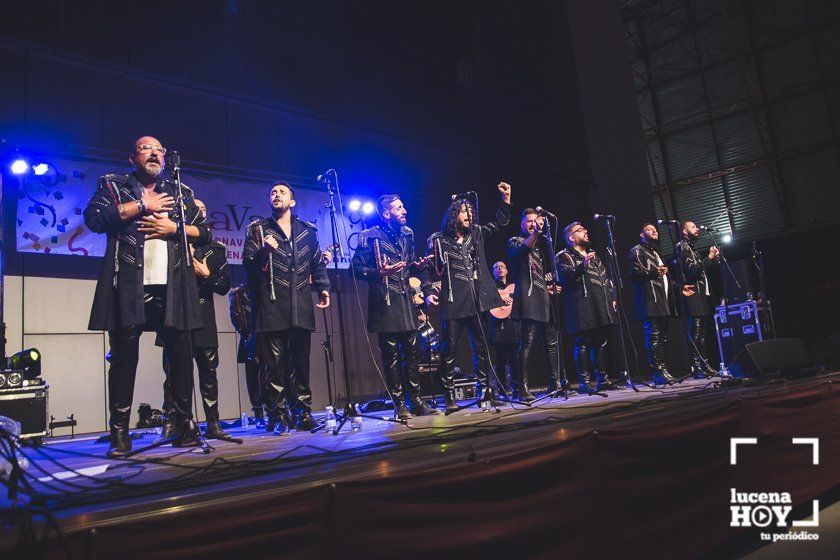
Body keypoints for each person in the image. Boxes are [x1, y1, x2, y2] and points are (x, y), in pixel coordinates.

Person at [85, 136, 209, 457]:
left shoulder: (181, 192)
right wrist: (142, 205)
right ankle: (120, 433)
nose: (154, 153)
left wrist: (174, 229)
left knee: (181, 358)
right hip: (129, 284)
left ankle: (183, 425)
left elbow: (204, 232)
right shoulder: (113, 186)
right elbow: (95, 219)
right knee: (125, 359)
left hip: (173, 286)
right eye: (146, 148)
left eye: (160, 150)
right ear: (132, 158)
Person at [243, 181, 330, 433]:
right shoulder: (258, 230)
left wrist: (323, 286)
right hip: (271, 304)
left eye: (282, 192)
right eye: (272, 192)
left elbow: (317, 264)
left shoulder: (307, 231)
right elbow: (248, 264)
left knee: (301, 363)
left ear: (292, 201)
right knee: (275, 366)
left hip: (300, 303)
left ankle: (303, 413)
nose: (276, 194)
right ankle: (278, 414)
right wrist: (263, 251)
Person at [423, 182, 511, 412]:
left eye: (471, 212)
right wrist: (429, 291)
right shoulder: (438, 240)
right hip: (453, 301)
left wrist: (505, 200)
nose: (469, 215)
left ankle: (486, 393)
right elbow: (426, 270)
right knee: (449, 349)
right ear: (453, 214)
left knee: (482, 349)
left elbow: (500, 223)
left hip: (476, 299)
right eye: (464, 211)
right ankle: (449, 397)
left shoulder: (477, 234)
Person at [351, 194, 438, 419]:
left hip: (405, 301)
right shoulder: (369, 236)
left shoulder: (407, 234)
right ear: (386, 213)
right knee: (391, 356)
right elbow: (355, 269)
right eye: (399, 208)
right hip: (385, 301)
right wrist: (379, 273)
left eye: (403, 206)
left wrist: (416, 265)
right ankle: (399, 404)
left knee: (412, 353)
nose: (405, 211)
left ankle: (416, 400)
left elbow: (407, 264)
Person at [159, 199, 231, 439]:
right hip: (175, 315)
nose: (199, 213)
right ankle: (174, 423)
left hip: (204, 317)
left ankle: (213, 423)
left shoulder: (215, 249)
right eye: (194, 210)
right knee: (173, 376)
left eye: (203, 210)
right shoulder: (168, 243)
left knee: (209, 373)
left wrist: (206, 273)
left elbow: (223, 286)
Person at [508, 209, 568, 400]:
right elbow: (520, 252)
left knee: (552, 342)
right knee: (527, 343)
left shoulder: (541, 249)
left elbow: (539, 275)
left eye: (536, 221)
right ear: (523, 224)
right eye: (529, 221)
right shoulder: (516, 241)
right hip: (528, 299)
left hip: (544, 299)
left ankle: (555, 383)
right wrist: (535, 233)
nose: (533, 224)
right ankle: (521, 387)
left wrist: (549, 288)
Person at [628, 223, 694, 385]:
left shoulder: (656, 252)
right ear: (641, 234)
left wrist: (679, 288)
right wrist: (653, 272)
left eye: (655, 230)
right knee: (654, 335)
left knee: (662, 337)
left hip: (662, 300)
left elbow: (665, 279)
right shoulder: (637, 251)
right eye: (650, 230)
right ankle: (658, 372)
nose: (654, 231)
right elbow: (634, 273)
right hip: (649, 300)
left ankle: (664, 369)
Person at [557, 222, 618, 393]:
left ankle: (603, 379)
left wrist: (612, 297)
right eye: (580, 230)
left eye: (585, 229)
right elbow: (566, 276)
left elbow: (606, 278)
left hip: (600, 304)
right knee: (583, 342)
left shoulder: (594, 256)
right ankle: (584, 382)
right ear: (571, 237)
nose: (585, 232)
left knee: (601, 342)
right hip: (581, 306)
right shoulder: (564, 256)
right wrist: (581, 266)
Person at [676, 221, 721, 378]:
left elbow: (700, 269)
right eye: (693, 227)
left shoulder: (692, 249)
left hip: (701, 295)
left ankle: (704, 364)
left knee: (702, 332)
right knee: (696, 332)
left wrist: (713, 260)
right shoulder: (682, 246)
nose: (696, 229)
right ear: (684, 231)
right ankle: (696, 367)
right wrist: (709, 257)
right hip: (693, 295)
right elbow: (692, 271)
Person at [230, 283, 264, 425]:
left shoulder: (265, 287)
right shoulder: (239, 292)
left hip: (267, 336)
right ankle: (258, 414)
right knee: (253, 378)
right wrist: (247, 335)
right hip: (250, 338)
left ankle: (278, 411)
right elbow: (236, 316)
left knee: (272, 374)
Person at [488, 261, 519, 398]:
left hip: (513, 325)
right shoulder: (490, 287)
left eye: (502, 266)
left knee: (516, 360)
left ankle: (517, 388)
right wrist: (501, 301)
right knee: (501, 361)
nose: (499, 269)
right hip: (499, 326)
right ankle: (502, 390)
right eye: (496, 267)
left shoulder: (514, 287)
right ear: (493, 272)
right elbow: (487, 302)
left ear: (506, 271)